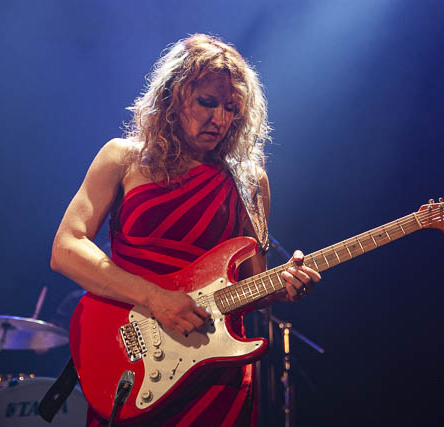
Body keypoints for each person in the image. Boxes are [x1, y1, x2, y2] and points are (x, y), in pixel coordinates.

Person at [50, 34, 321, 426]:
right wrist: (156, 298)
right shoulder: (123, 158)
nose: (220, 119)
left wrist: (286, 286)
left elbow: (252, 285)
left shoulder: (250, 181)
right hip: (132, 359)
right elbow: (66, 248)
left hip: (215, 371)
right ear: (173, 98)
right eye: (207, 103)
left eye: (232, 108)